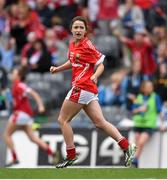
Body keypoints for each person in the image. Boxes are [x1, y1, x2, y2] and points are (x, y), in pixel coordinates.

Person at [50, 16, 136, 168]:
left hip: (81, 86)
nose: (78, 30)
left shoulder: (87, 45)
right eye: (75, 27)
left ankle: (71, 155)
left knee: (63, 120)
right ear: (71, 29)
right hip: (88, 90)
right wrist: (58, 69)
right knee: (100, 123)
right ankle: (126, 146)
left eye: (81, 28)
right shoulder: (72, 45)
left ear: (85, 30)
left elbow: (100, 64)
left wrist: (95, 75)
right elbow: (73, 61)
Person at [3, 67, 56, 167]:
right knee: (33, 138)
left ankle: (14, 158)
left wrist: (40, 105)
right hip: (26, 116)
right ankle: (52, 153)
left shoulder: (19, 85)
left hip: (21, 114)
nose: (12, 75)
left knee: (6, 135)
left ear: (18, 76)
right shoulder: (15, 86)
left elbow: (33, 93)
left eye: (14, 73)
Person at [131, 80, 162, 167]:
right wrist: (139, 109)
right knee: (136, 141)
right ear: (143, 88)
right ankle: (135, 161)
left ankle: (135, 160)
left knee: (141, 142)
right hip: (138, 124)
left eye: (151, 87)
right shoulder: (139, 97)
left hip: (149, 125)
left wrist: (162, 123)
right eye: (148, 87)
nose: (150, 88)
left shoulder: (156, 97)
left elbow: (159, 111)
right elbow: (133, 110)